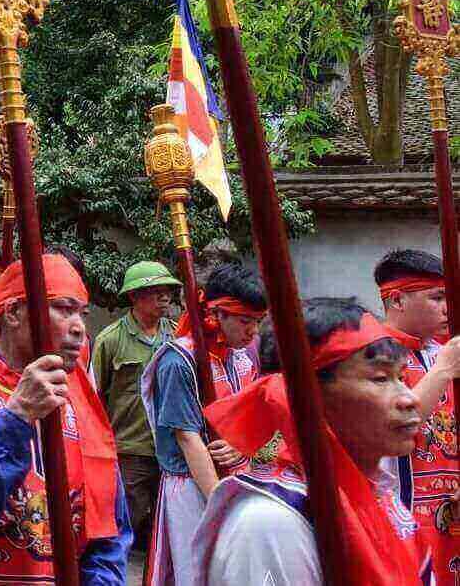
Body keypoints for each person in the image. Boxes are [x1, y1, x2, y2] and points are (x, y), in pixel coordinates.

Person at [0, 252, 131, 584]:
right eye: (63, 309)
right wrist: (16, 418)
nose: (79, 328)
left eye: (82, 314)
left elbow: (109, 536)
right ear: (13, 312)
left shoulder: (84, 409)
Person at [196, 297, 433, 584]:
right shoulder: (270, 523)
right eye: (381, 378)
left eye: (402, 378)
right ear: (309, 397)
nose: (410, 399)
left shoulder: (379, 493)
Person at [138, 259, 263, 586]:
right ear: (216, 314)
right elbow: (187, 438)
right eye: (245, 320)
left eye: (258, 321)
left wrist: (242, 447)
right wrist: (219, 503)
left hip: (240, 476)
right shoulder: (178, 361)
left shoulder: (245, 354)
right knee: (195, 573)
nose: (253, 331)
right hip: (192, 486)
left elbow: (253, 417)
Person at [375, 248, 460, 576]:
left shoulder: (443, 352)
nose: (447, 308)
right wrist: (442, 371)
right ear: (396, 300)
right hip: (401, 506)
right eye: (437, 297)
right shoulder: (372, 356)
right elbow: (390, 427)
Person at [89, 260, 179, 555]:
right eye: (155, 291)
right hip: (130, 449)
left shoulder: (178, 336)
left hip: (173, 446)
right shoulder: (110, 340)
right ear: (134, 297)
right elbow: (92, 397)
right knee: (124, 521)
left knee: (168, 525)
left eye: (167, 291)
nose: (164, 297)